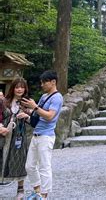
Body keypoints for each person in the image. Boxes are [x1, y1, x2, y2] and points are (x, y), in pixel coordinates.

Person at [20, 70, 63, 200]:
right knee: (29, 166)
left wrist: (34, 107)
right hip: (36, 134)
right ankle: (37, 191)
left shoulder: (57, 97)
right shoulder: (44, 97)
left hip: (46, 136)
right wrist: (27, 113)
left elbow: (50, 116)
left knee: (44, 166)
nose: (42, 85)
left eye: (44, 82)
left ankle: (44, 196)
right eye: (41, 82)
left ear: (53, 82)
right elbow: (38, 115)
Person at [0, 78, 29, 199]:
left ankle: (20, 190)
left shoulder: (27, 102)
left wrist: (27, 115)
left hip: (19, 136)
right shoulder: (4, 101)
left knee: (19, 160)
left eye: (22, 87)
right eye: (17, 87)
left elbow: (34, 119)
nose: (19, 89)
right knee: (1, 159)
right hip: (3, 135)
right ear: (13, 88)